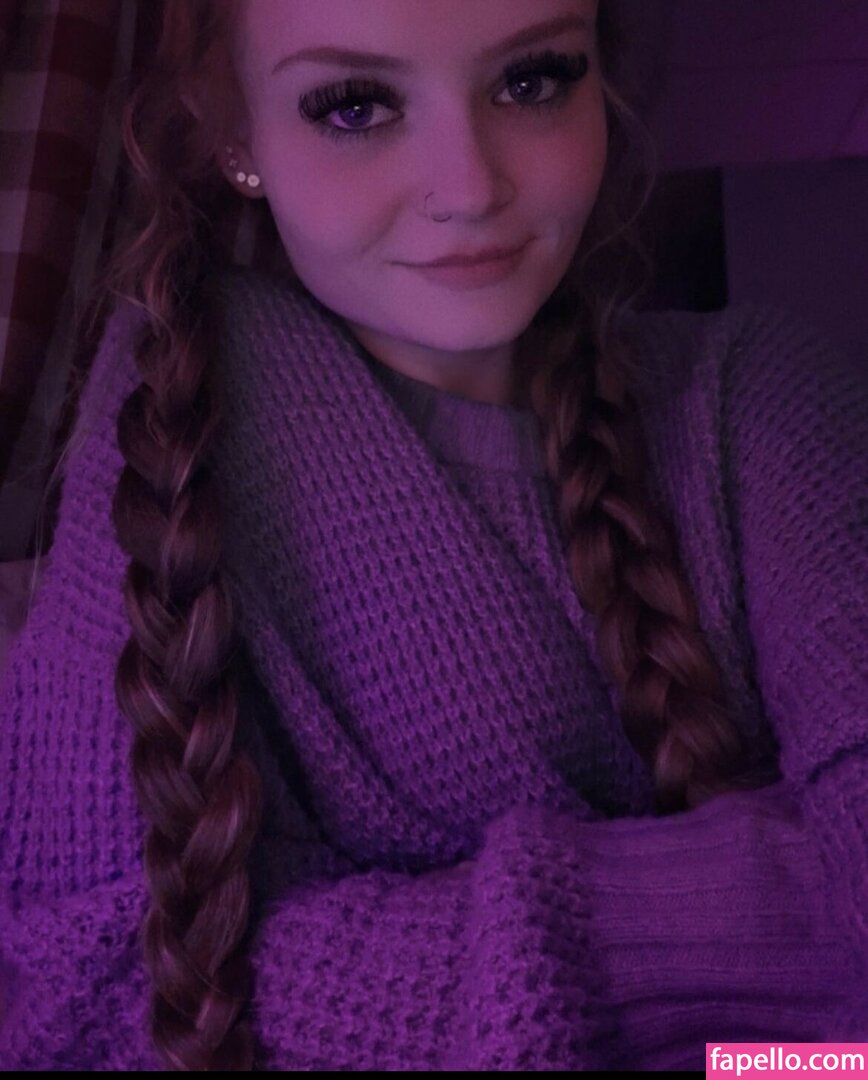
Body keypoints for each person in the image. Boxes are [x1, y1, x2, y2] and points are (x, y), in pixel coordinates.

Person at [0, 0, 865, 1070]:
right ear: (231, 127)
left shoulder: (761, 403)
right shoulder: (166, 450)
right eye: (354, 106)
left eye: (531, 81)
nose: (468, 189)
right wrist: (709, 914)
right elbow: (89, 1004)